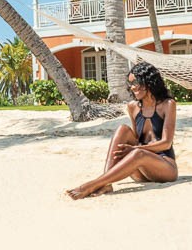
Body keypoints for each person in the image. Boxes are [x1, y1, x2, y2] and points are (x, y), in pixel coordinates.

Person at [67, 61, 179, 200]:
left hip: (164, 168)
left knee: (138, 152)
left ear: (148, 81)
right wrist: (134, 149)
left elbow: (166, 144)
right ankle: (106, 183)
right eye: (130, 83)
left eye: (135, 82)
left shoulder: (167, 104)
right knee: (123, 129)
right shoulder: (132, 107)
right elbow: (136, 138)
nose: (132, 87)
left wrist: (135, 149)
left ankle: (93, 184)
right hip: (140, 171)